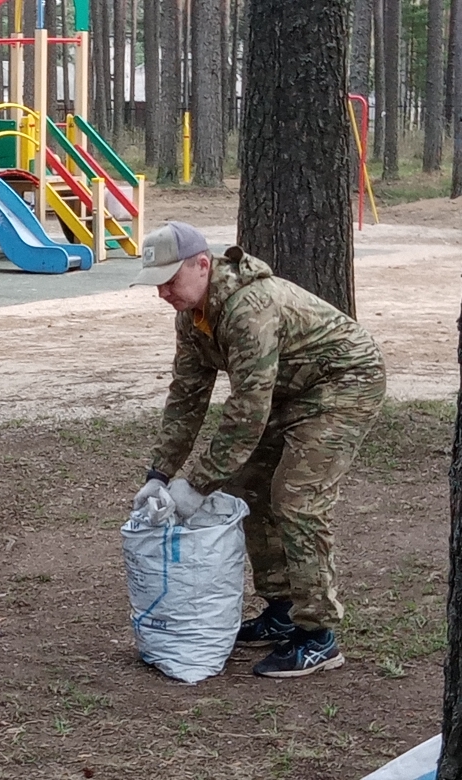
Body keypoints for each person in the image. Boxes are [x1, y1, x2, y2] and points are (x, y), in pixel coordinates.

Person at [130, 221, 385, 678]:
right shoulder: (193, 317)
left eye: (170, 281)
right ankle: (283, 607)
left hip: (344, 382)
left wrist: (199, 484)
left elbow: (247, 409)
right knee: (250, 485)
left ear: (202, 265)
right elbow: (187, 396)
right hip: (288, 390)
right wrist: (159, 474)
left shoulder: (249, 308)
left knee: (298, 500)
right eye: (157, 284)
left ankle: (318, 636)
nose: (163, 293)